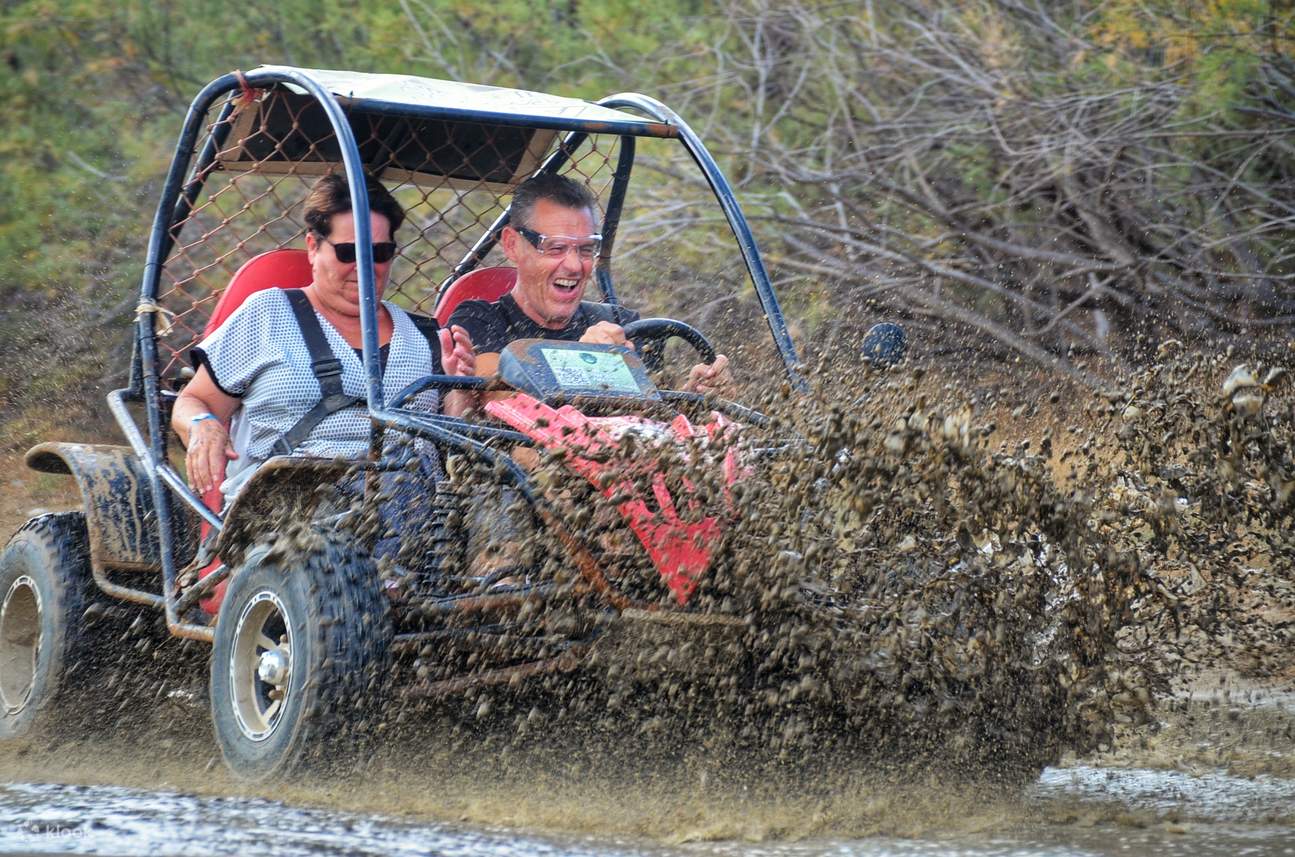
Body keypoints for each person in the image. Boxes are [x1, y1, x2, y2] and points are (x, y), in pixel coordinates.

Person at [172, 173, 476, 505]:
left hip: (408, 511)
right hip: (286, 512)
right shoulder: (267, 315)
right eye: (348, 252)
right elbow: (193, 401)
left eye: (380, 252)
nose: (365, 267)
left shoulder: (427, 337)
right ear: (313, 247)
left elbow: (455, 453)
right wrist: (202, 424)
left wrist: (460, 389)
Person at [446, 172, 733, 394]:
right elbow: (503, 406)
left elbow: (651, 421)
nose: (574, 266)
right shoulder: (479, 320)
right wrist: (584, 363)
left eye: (585, 250)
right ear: (512, 245)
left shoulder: (622, 325)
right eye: (556, 248)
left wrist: (695, 396)